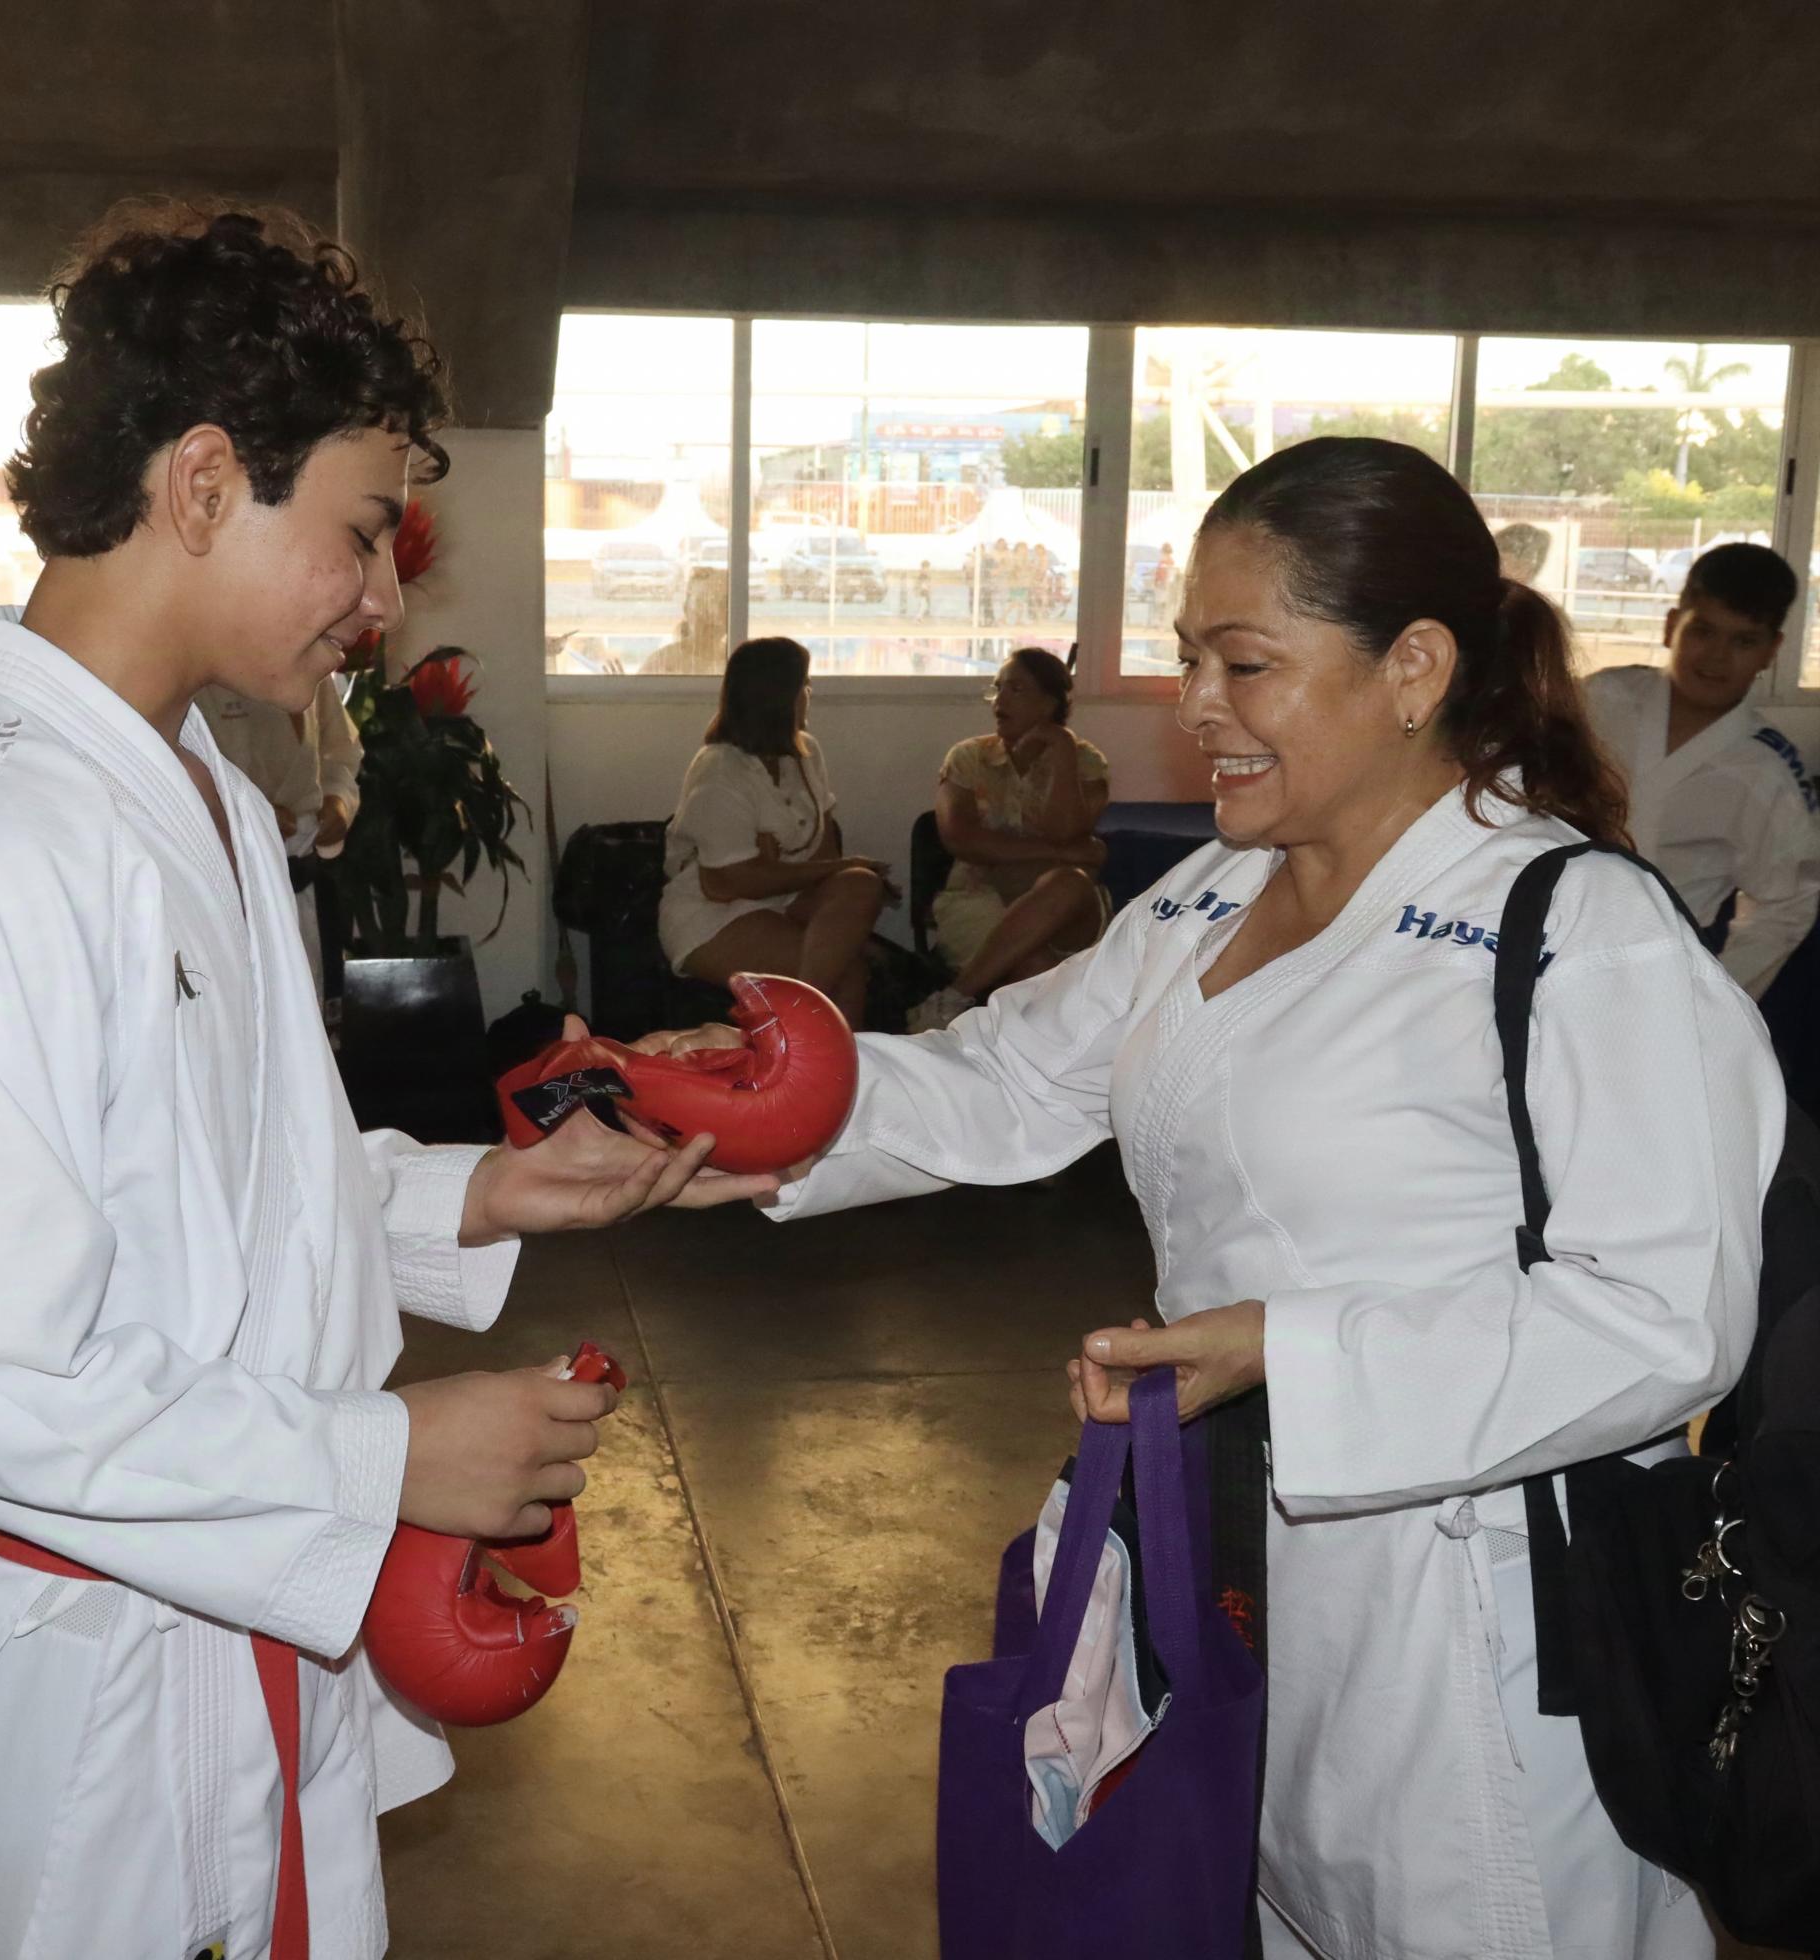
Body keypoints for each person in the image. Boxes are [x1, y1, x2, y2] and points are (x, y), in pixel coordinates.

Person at [0, 201, 778, 1960]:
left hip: (215, 1614)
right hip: (64, 1719)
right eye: (359, 531)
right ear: (200, 486)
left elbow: (215, 1186)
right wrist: (382, 1452)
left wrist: (478, 1191)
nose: (385, 594)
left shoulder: (189, 780)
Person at [726, 438, 1778, 1958]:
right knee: (1274, 1899)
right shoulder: (1218, 894)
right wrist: (755, 1104)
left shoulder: (1573, 931)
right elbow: (1010, 1081)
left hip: (1468, 1616)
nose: (1195, 707)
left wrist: (1290, 1350)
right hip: (1241, 1564)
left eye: (1245, 663)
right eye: (1185, 660)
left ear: (1412, 667)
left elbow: (1665, 1317)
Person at [1582, 542, 1820, 998]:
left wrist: (1716, 993)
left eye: (1743, 640)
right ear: (1672, 626)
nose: (1716, 657)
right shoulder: (1601, 700)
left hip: (1672, 961)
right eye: (1703, 631)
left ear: (1772, 650)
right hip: (1551, 929)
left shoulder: (1766, 767)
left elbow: (1786, 905)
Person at [658, 636, 891, 1028]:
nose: (809, 694)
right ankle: (815, 1054)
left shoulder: (807, 753)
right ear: (780, 697)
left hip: (784, 897)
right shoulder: (718, 768)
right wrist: (829, 870)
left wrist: (841, 881)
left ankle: (803, 1037)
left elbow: (823, 856)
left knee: (861, 883)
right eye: (805, 685)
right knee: (848, 972)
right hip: (714, 914)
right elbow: (727, 883)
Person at [909, 647, 1109, 1033]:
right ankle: (1052, 1062)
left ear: (1049, 703)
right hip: (977, 897)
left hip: (1061, 908)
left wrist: (1062, 749)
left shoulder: (1085, 762)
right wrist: (1060, 853)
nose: (999, 700)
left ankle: (952, 997)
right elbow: (961, 840)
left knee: (1068, 882)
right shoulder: (968, 758)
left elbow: (1067, 830)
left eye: (1016, 689)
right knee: (1029, 965)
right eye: (998, 688)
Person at [201, 674, 362, 997]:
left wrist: (338, 799)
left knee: (310, 1009)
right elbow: (167, 764)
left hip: (303, 875)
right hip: (231, 888)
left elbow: (339, 751)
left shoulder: (315, 661)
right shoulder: (201, 664)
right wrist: (246, 812)